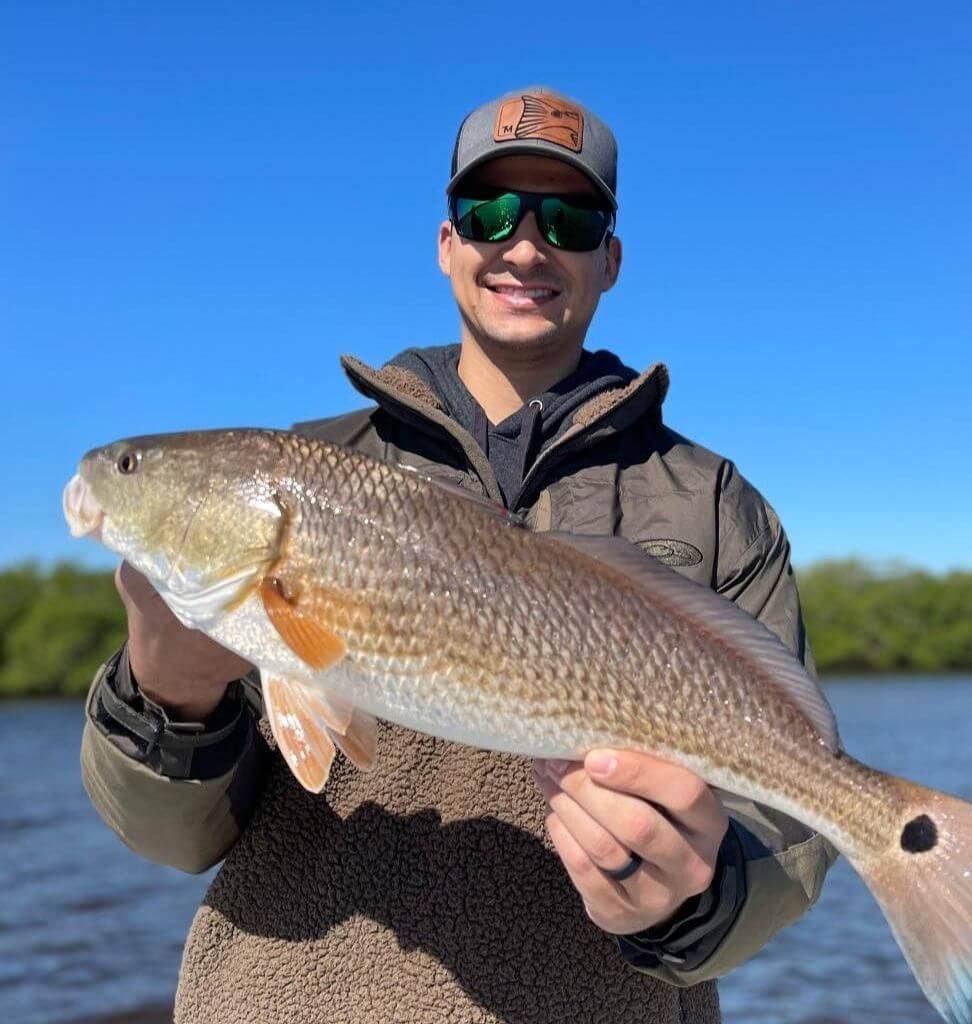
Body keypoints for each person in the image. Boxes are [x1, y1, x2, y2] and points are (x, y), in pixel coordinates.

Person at [81, 86, 836, 1024]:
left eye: (568, 217)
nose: (524, 245)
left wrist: (698, 901)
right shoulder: (316, 465)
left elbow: (796, 826)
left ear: (610, 258)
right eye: (488, 213)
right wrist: (168, 701)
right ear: (447, 246)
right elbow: (172, 840)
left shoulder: (716, 506)